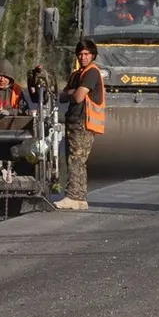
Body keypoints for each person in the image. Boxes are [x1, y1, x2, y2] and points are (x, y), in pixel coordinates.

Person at [58, 38, 106, 210]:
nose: (82, 57)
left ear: (92, 55)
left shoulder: (92, 73)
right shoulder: (77, 74)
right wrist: (72, 92)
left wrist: (72, 92)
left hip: (84, 122)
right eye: (80, 54)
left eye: (86, 54)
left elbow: (78, 97)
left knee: (76, 160)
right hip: (74, 121)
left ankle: (73, 196)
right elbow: (63, 95)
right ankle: (79, 198)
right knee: (76, 160)